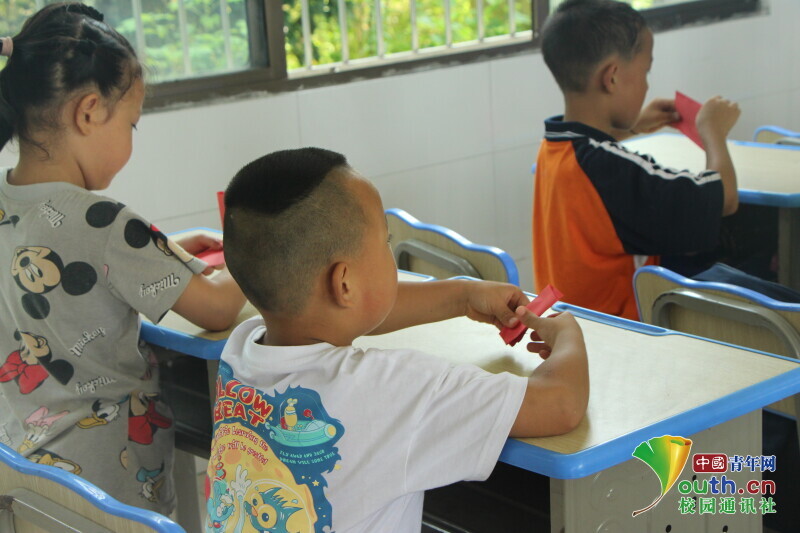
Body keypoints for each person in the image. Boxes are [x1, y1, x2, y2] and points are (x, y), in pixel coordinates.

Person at [206, 147, 589, 532]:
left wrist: (462, 296)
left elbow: (345, 311)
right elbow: (561, 404)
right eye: (385, 241)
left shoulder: (241, 349)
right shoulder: (391, 388)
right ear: (345, 284)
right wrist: (569, 336)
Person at [0, 2, 246, 516]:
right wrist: (260, 248)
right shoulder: (103, 222)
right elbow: (218, 307)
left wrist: (164, 251)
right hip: (110, 484)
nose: (131, 140)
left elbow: (65, 269)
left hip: (26, 476)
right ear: (89, 111)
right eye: (132, 125)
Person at [532, 0, 741, 320]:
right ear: (612, 77)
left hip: (568, 325)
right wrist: (713, 132)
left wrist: (632, 126)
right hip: (621, 334)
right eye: (646, 71)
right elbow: (724, 199)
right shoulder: (613, 170)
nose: (646, 84)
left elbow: (592, 155)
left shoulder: (553, 147)